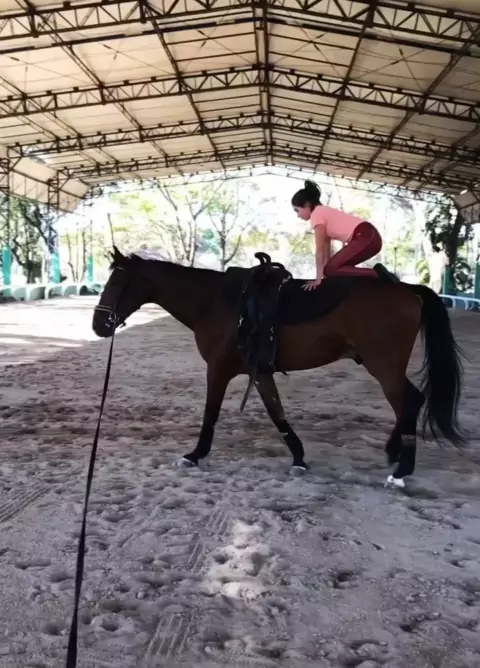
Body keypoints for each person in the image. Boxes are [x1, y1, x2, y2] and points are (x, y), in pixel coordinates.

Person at [291, 180, 383, 291]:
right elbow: (326, 251)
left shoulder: (316, 214)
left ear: (307, 205)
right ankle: (370, 278)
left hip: (365, 236)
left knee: (331, 269)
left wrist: (318, 279)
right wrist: (324, 276)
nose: (297, 215)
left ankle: (375, 273)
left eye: (297, 210)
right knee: (334, 269)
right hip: (372, 238)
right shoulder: (322, 212)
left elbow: (319, 251)